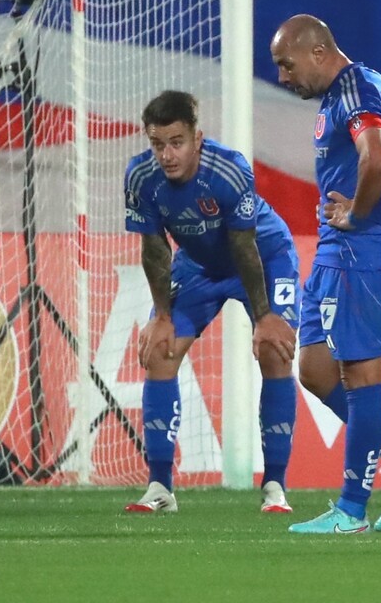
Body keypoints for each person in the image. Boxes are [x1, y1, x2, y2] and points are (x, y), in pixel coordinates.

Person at [272, 14, 381, 535]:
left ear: (318, 52)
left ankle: (350, 510)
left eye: (286, 64)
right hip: (334, 253)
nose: (282, 76)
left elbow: (377, 159)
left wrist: (358, 214)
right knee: (317, 372)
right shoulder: (344, 92)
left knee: (362, 380)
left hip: (360, 251)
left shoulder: (358, 91)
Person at [122, 91, 299, 514]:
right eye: (158, 143)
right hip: (198, 265)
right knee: (160, 353)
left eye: (177, 142)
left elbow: (244, 247)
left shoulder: (229, 170)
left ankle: (275, 487)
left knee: (275, 352)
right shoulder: (141, 176)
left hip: (265, 256)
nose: (167, 154)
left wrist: (264, 317)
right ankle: (160, 489)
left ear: (197, 138)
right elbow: (154, 249)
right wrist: (162, 315)